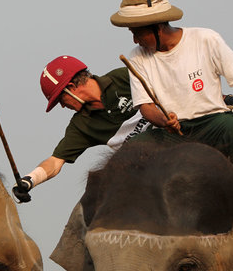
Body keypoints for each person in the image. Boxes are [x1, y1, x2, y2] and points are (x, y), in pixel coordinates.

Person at [110, 0, 233, 175]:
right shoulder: (137, 56)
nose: (135, 40)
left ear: (158, 27)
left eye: (138, 33)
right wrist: (164, 121)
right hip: (174, 133)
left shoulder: (205, 39)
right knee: (133, 148)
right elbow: (145, 106)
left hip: (214, 123)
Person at [12, 55, 152, 203]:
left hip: (172, 139)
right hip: (139, 166)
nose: (63, 106)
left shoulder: (122, 77)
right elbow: (55, 162)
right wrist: (30, 180)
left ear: (71, 88)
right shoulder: (81, 125)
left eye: (61, 99)